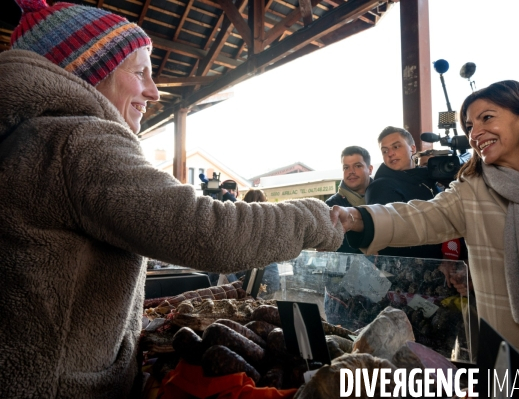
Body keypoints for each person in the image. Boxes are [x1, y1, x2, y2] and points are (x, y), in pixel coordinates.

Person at [0, 1, 343, 398]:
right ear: (90, 72)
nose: (154, 90)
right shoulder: (77, 141)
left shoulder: (31, 138)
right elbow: (209, 231)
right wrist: (318, 220)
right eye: (140, 72)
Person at [332, 80, 519, 397]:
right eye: (470, 125)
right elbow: (417, 216)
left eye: (487, 117)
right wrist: (357, 217)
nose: (475, 133)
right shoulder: (473, 189)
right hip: (511, 364)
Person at [364, 126, 452, 260]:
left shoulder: (428, 179)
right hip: (415, 271)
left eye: (396, 147)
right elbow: (397, 236)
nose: (390, 153)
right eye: (385, 150)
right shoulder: (380, 187)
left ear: (413, 148)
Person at [325, 146, 373, 254]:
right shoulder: (331, 206)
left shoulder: (384, 198)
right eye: (346, 167)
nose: (351, 172)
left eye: (357, 166)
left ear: (370, 169)